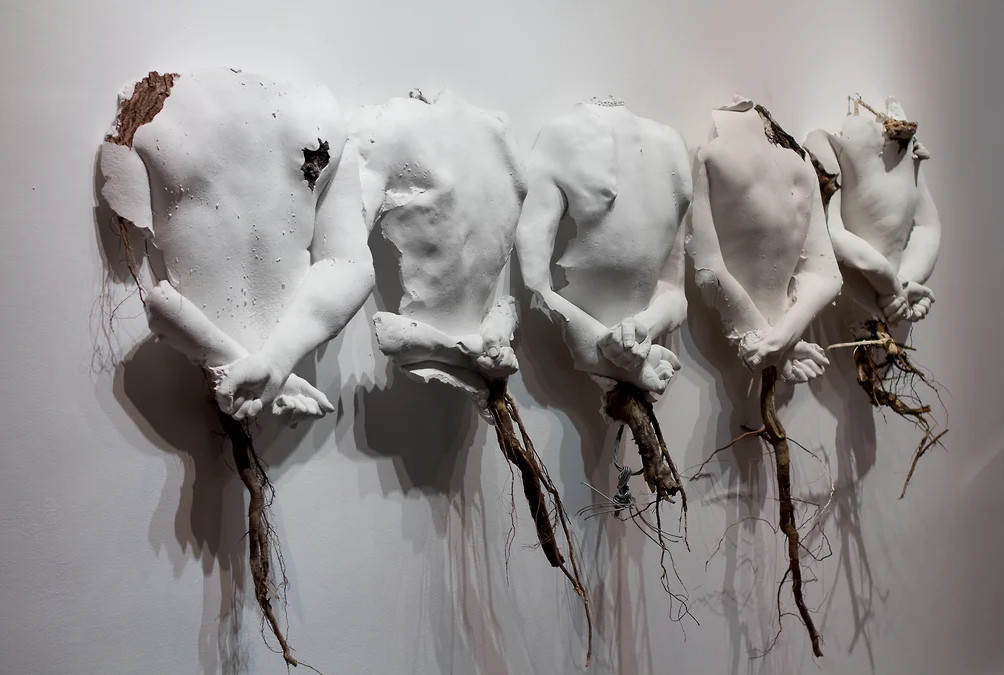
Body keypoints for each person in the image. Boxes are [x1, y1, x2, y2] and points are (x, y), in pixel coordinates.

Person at [100, 68, 373, 420]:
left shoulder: (146, 113)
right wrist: (272, 364)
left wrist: (264, 364)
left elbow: (154, 298)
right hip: (261, 360)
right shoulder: (325, 114)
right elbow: (348, 263)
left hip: (164, 117)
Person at [516, 99, 691, 393]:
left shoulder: (563, 136)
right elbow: (674, 293)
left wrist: (635, 335)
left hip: (623, 346)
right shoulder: (671, 145)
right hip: (627, 349)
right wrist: (631, 347)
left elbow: (536, 284)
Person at [687, 98, 841, 384]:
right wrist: (780, 341)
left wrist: (773, 342)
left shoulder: (712, 156)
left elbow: (709, 271)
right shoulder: (802, 162)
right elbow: (826, 275)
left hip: (748, 338)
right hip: (774, 328)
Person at [803, 97, 940, 325]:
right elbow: (831, 234)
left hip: (870, 302)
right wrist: (892, 285)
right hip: (844, 302)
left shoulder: (909, 153)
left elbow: (928, 226)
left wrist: (904, 282)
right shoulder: (822, 142)